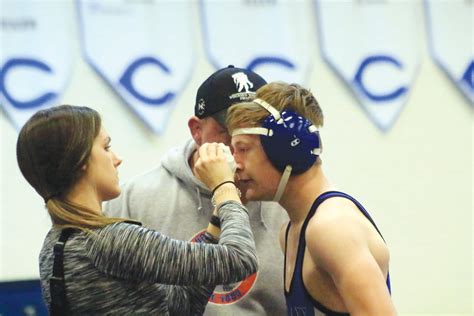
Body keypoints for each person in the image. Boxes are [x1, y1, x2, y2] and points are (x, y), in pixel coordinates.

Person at [16, 105, 258, 315]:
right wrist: (225, 186)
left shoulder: (55, 245)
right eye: (106, 147)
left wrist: (217, 218)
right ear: (80, 161)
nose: (117, 158)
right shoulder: (112, 241)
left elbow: (182, 307)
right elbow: (240, 258)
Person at [104, 65, 288, 315]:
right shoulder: (132, 199)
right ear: (196, 130)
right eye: (230, 131)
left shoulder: (285, 197)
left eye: (256, 131)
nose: (241, 143)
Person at [226, 82, 397, 315]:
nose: (235, 164)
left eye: (243, 149)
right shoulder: (290, 231)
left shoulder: (332, 228)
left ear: (286, 149)